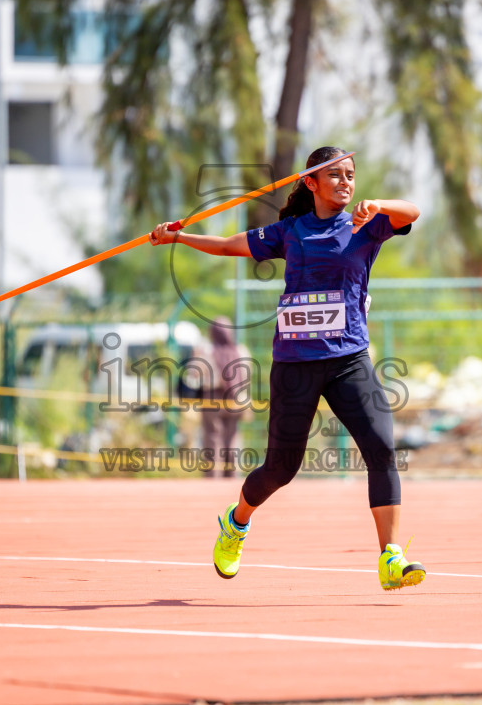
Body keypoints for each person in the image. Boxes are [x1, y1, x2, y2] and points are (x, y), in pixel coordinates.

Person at [150, 145, 425, 592]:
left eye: (351, 175)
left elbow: (412, 210)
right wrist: (178, 237)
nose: (346, 183)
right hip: (296, 363)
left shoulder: (367, 224)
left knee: (381, 447)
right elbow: (225, 246)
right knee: (280, 469)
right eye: (334, 175)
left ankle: (391, 557)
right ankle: (236, 522)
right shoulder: (289, 232)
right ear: (310, 182)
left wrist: (380, 206)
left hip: (349, 359)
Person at [199, 317, 250, 477]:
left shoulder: (207, 351)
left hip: (213, 398)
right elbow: (247, 377)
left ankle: (213, 476)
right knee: (233, 437)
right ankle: (233, 476)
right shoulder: (241, 351)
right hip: (237, 398)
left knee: (213, 437)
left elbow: (196, 375)